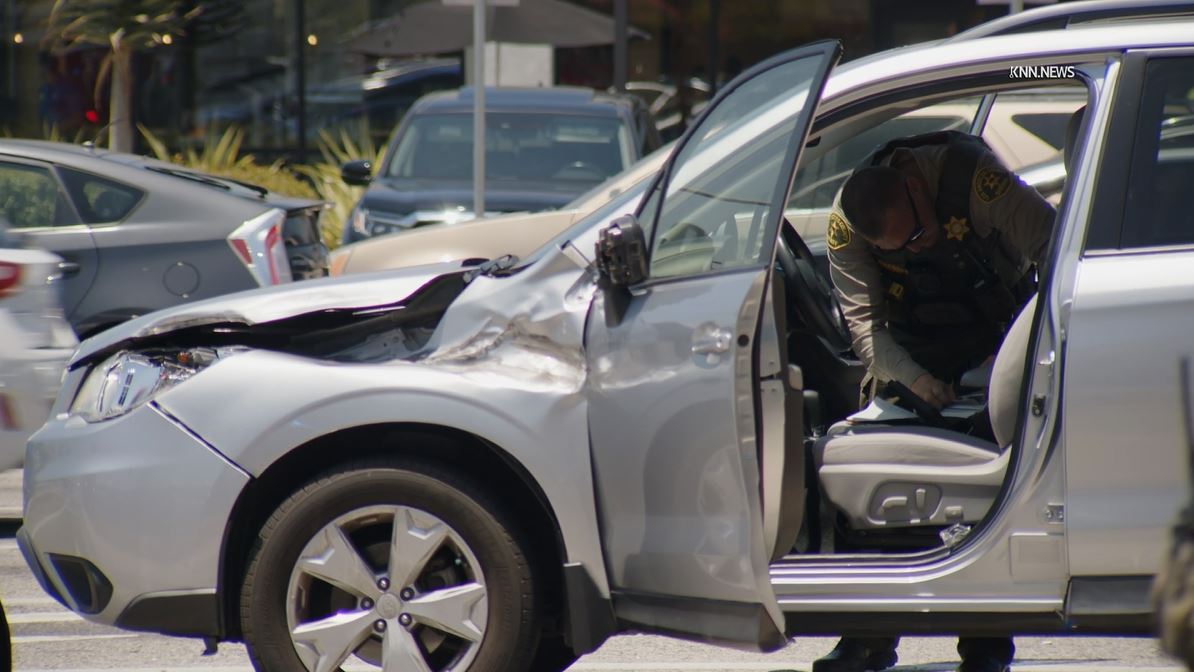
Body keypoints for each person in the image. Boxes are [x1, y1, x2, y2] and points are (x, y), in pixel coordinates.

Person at [816, 130, 1056, 672]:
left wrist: (1025, 349)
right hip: (911, 355)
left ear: (912, 183)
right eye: (896, 249)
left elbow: (1059, 253)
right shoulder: (845, 225)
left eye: (919, 231)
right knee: (873, 475)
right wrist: (919, 382)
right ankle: (866, 638)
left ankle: (986, 647)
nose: (917, 247)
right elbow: (866, 330)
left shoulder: (975, 182)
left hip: (999, 340)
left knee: (990, 489)